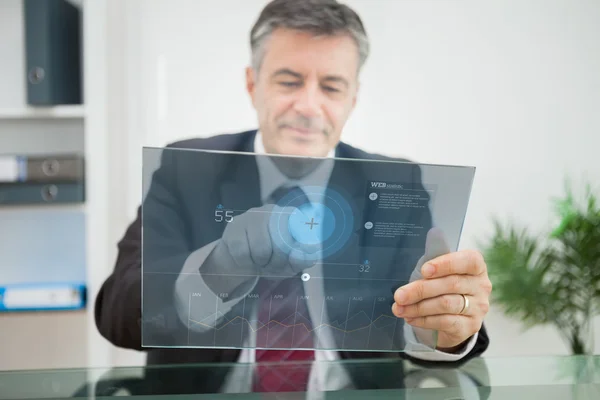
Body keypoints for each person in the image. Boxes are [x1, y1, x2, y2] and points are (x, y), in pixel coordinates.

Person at [95, 0, 491, 394]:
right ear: (252, 85)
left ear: (352, 99)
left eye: (332, 87)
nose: (308, 107)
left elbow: (425, 327)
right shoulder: (187, 171)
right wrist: (218, 270)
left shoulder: (396, 183)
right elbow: (116, 312)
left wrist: (439, 324)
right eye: (288, 81)